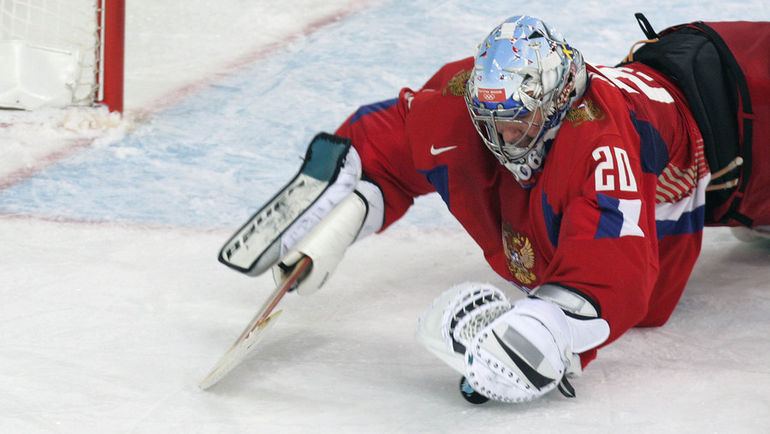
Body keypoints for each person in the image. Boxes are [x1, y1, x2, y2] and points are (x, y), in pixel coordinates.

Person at [263, 15, 769, 403]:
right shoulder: (476, 98)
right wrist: (348, 204)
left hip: (752, 104)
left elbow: (623, 269)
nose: (503, 137)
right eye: (491, 120)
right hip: (710, 96)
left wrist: (549, 328)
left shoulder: (601, 143)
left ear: (559, 101)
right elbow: (401, 133)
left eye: (517, 121)